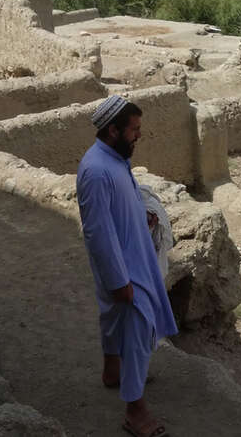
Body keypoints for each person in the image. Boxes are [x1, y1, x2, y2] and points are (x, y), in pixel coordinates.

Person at [76, 95, 177, 437]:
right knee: (137, 331)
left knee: (112, 319)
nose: (138, 136)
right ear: (112, 130)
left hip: (133, 257)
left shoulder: (114, 159)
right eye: (133, 130)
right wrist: (120, 281)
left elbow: (122, 203)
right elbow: (98, 232)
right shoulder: (96, 170)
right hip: (124, 268)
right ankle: (135, 409)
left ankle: (111, 372)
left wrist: (142, 214)